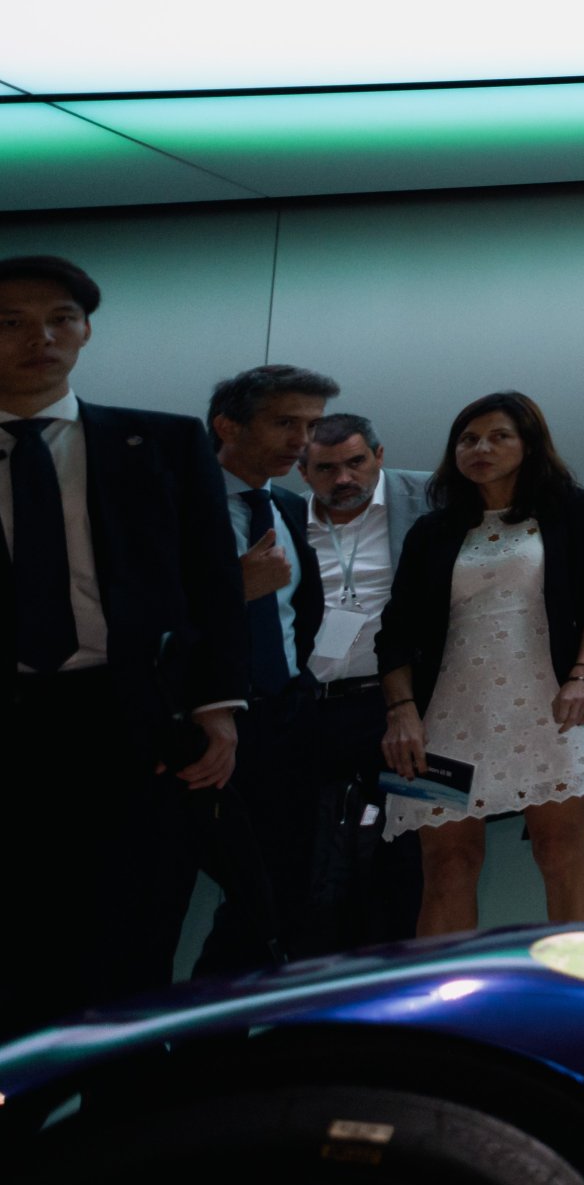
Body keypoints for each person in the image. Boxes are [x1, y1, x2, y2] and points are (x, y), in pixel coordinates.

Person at [0, 256, 245, 1039]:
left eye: (60, 318)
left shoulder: (161, 443)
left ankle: (121, 1135)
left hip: (127, 714)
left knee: (131, 943)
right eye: (10, 321)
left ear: (85, 330)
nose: (41, 337)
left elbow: (210, 583)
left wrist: (216, 707)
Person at [379, 391, 584, 935]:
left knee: (563, 851)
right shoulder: (430, 531)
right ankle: (452, 1008)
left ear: (529, 445)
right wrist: (400, 712)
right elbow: (394, 634)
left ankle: (581, 996)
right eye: (468, 439)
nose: (480, 448)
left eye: (498, 436)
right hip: (442, 720)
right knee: (446, 865)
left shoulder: (576, 510)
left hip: (555, 708)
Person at [190, 364, 336, 978]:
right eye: (284, 423)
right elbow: (136, 615)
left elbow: (295, 615)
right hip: (196, 724)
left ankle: (230, 1046)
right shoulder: (173, 499)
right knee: (212, 890)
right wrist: (233, 588)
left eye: (310, 425)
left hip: (282, 717)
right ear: (227, 424)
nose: (301, 440)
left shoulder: (285, 506)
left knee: (281, 894)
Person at [299, 412, 433, 945]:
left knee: (408, 857)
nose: (343, 478)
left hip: (402, 708)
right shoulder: (282, 517)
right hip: (309, 709)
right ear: (303, 471)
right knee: (311, 864)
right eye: (325, 468)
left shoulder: (429, 498)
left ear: (378, 455)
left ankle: (401, 988)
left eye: (356, 462)